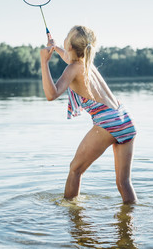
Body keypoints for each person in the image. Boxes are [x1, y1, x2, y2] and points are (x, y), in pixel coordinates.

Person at [40, 26, 137, 203]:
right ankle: (130, 220)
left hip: (108, 122)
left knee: (75, 169)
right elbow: (70, 58)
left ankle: (72, 217)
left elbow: (51, 94)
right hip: (125, 118)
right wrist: (53, 48)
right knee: (124, 182)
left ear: (69, 45)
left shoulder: (73, 69)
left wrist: (44, 62)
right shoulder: (86, 64)